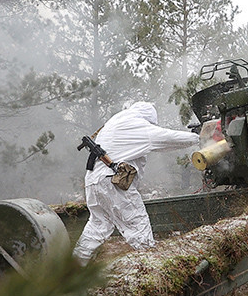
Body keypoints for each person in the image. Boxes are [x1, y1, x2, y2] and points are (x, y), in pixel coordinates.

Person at [72, 102, 199, 265]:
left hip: (93, 181)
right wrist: (198, 137)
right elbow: (167, 139)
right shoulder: (136, 124)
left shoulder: (116, 121)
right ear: (149, 118)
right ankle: (151, 269)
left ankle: (74, 267)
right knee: (138, 224)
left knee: (98, 225)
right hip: (112, 181)